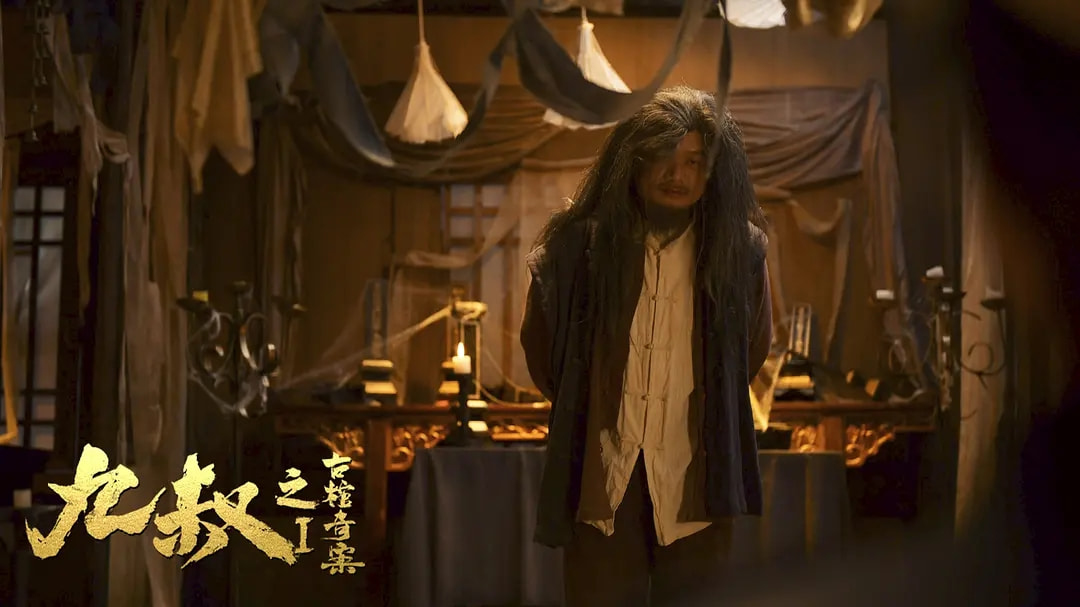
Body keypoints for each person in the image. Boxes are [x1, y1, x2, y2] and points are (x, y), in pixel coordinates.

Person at [519, 86, 773, 607]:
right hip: (604, 479)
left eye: (694, 161)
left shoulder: (737, 251)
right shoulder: (579, 248)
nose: (677, 175)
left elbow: (750, 352)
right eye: (663, 158)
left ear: (713, 171)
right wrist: (592, 406)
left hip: (695, 478)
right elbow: (546, 354)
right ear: (633, 162)